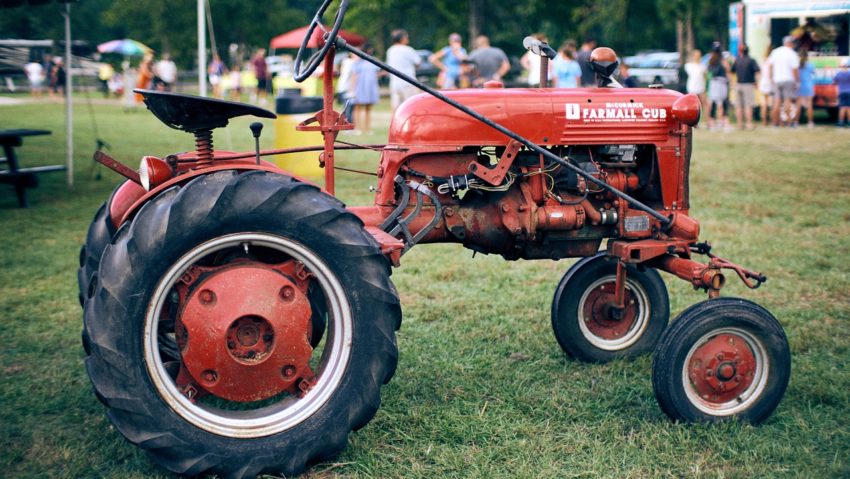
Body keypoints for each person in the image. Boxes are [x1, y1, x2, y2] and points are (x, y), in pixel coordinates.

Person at [767, 36, 800, 127]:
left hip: (777, 79)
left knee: (776, 102)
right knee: (787, 101)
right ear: (791, 43)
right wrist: (797, 81)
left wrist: (771, 77)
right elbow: (794, 69)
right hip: (788, 79)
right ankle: (789, 122)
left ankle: (775, 123)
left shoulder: (775, 52)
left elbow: (770, 65)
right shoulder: (792, 54)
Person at [386, 29, 421, 111]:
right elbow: (418, 62)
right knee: (411, 107)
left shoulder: (390, 50)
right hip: (408, 82)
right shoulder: (408, 49)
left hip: (395, 83)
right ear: (402, 38)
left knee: (396, 110)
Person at [350, 44, 381, 135]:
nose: (370, 51)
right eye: (369, 49)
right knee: (357, 108)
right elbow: (354, 76)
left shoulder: (373, 61)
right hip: (360, 87)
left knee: (368, 108)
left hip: (370, 88)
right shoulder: (358, 62)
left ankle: (367, 128)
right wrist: (353, 89)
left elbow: (376, 73)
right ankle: (357, 127)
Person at [733, 44, 760, 130]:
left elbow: (732, 71)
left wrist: (733, 83)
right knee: (748, 105)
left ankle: (740, 124)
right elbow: (757, 71)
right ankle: (749, 124)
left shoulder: (737, 60)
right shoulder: (751, 60)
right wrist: (757, 82)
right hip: (748, 84)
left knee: (739, 106)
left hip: (738, 85)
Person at [706, 43, 732, 131]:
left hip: (714, 83)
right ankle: (722, 122)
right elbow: (728, 71)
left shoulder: (711, 60)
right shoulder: (722, 61)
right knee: (722, 103)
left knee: (714, 103)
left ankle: (713, 123)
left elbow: (708, 73)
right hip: (721, 83)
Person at [795, 50, 815, 128]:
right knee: (809, 104)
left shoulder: (797, 66)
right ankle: (810, 122)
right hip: (808, 86)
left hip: (800, 86)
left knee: (798, 105)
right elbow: (813, 73)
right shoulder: (810, 65)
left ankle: (796, 122)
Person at [336, 50, 356, 122]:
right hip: (347, 88)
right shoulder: (351, 62)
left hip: (343, 87)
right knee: (348, 108)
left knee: (347, 108)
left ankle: (346, 122)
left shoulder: (345, 61)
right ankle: (347, 123)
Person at [758, 44, 774, 127]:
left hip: (763, 82)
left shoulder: (763, 60)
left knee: (763, 103)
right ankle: (771, 121)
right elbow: (770, 73)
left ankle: (764, 121)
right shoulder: (772, 60)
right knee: (771, 103)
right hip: (769, 82)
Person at [834, 59, 850, 127]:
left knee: (842, 108)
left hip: (841, 92)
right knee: (849, 108)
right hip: (849, 92)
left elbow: (834, 81)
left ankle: (841, 122)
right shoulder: (849, 73)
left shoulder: (839, 74)